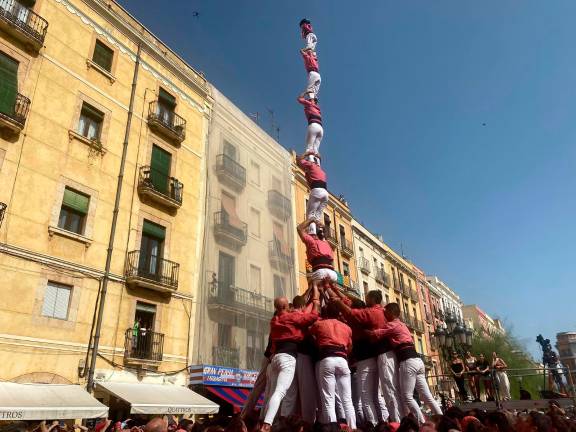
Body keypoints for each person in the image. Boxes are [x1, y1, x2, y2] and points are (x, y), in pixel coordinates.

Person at [328, 285, 400, 424]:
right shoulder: (381, 311)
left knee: (367, 396)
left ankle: (375, 424)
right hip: (377, 357)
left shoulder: (369, 313)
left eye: (367, 297)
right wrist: (334, 288)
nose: (365, 299)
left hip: (366, 359)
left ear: (372, 299)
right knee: (377, 395)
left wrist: (336, 300)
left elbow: (351, 312)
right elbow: (351, 301)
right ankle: (385, 422)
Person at [369, 303, 442, 425]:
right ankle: (442, 420)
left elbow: (376, 334)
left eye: (385, 312)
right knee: (426, 395)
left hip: (408, 361)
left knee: (407, 396)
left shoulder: (392, 325)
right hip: (418, 361)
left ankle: (421, 423)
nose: (384, 315)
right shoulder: (403, 325)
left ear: (391, 313)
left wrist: (365, 331)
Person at [260, 290, 319, 432]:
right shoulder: (291, 317)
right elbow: (311, 317)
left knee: (275, 392)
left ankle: (270, 421)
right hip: (287, 357)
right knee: (280, 392)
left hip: (276, 358)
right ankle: (267, 424)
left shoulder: (274, 320)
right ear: (287, 306)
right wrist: (316, 302)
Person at [309, 300, 356, 429]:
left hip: (327, 359)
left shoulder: (320, 324)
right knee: (347, 400)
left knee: (328, 399)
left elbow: (309, 333)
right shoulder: (347, 328)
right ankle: (352, 428)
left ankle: (333, 429)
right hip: (342, 360)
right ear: (338, 313)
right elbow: (350, 347)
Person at [297, 217, 337, 289]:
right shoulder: (327, 244)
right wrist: (323, 227)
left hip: (320, 271)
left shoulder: (311, 241)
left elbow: (299, 228)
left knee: (312, 290)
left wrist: (311, 219)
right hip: (333, 274)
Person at [296, 151, 328, 235]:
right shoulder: (322, 172)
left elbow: (299, 160)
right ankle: (320, 233)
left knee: (310, 215)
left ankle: (312, 233)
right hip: (325, 194)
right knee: (318, 216)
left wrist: (306, 154)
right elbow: (311, 182)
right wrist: (318, 157)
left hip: (317, 190)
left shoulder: (311, 165)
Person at [297, 93, 323, 160]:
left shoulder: (309, 104)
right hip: (320, 129)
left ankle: (311, 162)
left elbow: (299, 99)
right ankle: (317, 164)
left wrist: (306, 92)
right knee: (316, 150)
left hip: (313, 125)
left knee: (309, 148)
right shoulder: (318, 108)